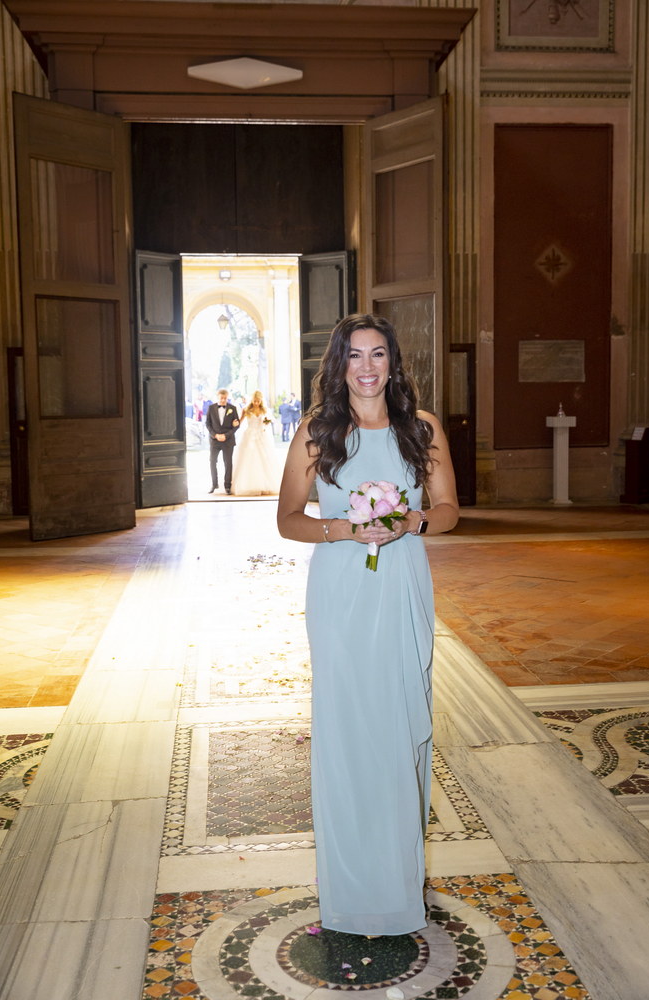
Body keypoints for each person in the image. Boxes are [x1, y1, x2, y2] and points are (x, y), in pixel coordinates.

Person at [277, 313, 459, 937]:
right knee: (350, 730)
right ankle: (353, 887)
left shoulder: (423, 428)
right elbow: (287, 519)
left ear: (392, 362)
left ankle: (400, 878)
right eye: (355, 355)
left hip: (403, 582)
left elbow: (450, 508)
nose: (366, 367)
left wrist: (414, 522)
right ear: (339, 363)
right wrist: (348, 529)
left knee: (400, 724)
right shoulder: (316, 432)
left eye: (378, 354)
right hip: (340, 593)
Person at [232, 390, 282, 496]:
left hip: (261, 435)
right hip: (249, 435)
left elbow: (268, 421)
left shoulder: (264, 409)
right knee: (248, 458)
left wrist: (267, 422)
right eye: (255, 401)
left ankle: (265, 485)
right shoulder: (246, 409)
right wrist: (234, 423)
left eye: (258, 401)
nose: (256, 403)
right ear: (252, 400)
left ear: (261, 401)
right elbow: (240, 422)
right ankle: (248, 485)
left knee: (265, 458)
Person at [205, 388, 240, 494]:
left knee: (228, 463)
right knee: (212, 461)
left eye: (225, 398)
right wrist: (215, 435)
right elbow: (207, 424)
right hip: (214, 440)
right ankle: (214, 484)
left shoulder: (232, 408)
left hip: (228, 440)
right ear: (217, 397)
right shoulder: (211, 408)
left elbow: (236, 425)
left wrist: (226, 435)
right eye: (221, 398)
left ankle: (227, 486)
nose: (223, 400)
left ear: (227, 398)